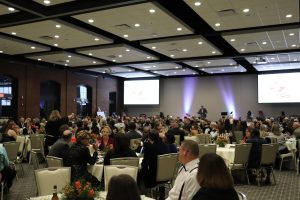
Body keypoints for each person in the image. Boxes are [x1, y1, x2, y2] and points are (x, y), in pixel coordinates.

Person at [141, 129, 167, 199]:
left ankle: (144, 195)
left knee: (140, 172)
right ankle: (162, 193)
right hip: (166, 175)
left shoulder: (149, 147)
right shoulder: (164, 145)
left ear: (149, 138)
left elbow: (145, 163)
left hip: (153, 178)